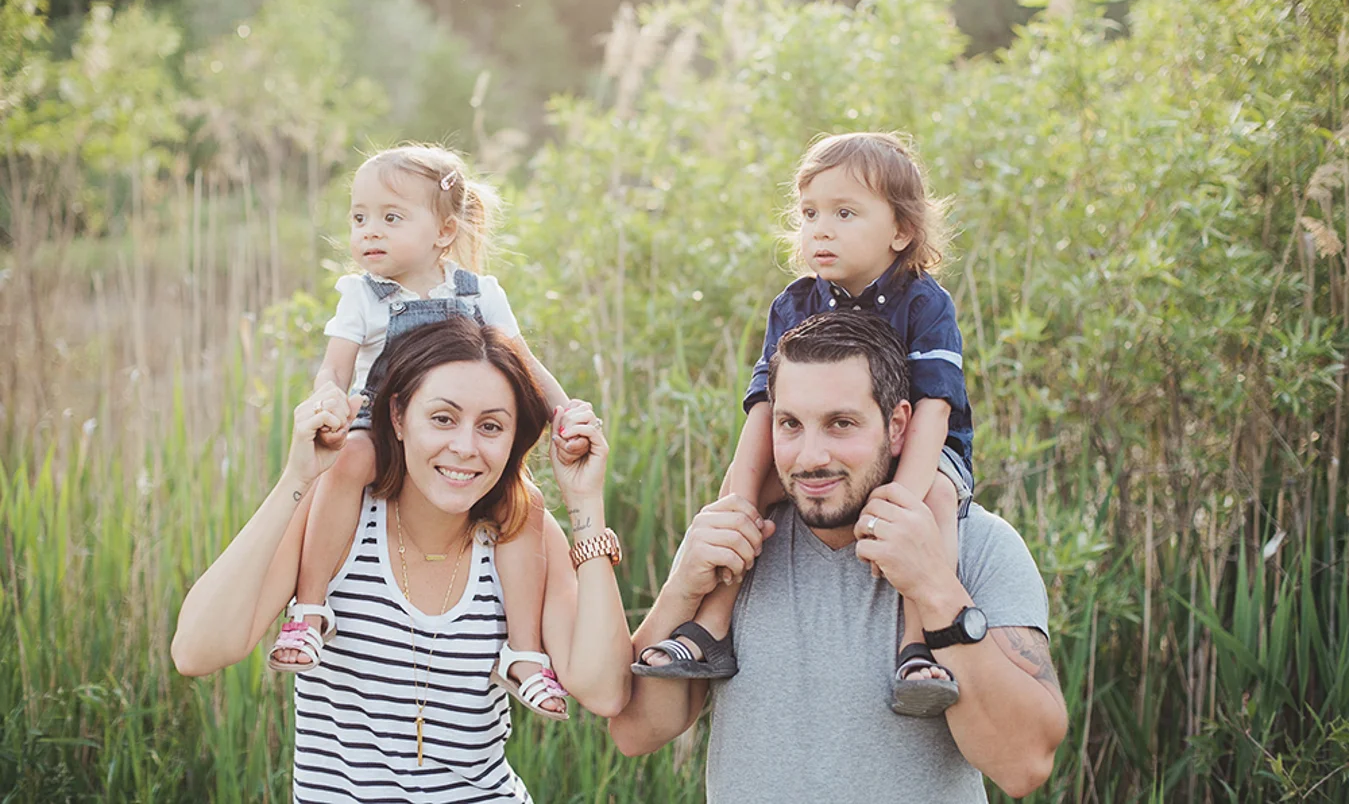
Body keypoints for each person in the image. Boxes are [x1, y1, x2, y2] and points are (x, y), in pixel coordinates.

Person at [610, 312, 1066, 802]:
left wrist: (934, 588)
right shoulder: (736, 540)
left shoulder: (979, 545)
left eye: (840, 424)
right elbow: (637, 733)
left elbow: (1024, 766)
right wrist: (683, 586)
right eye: (790, 424)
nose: (810, 457)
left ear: (896, 427)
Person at [173, 318, 631, 802]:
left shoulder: (520, 535)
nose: (465, 448)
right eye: (442, 418)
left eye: (491, 426)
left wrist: (585, 503)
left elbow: (605, 692)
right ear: (397, 416)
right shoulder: (338, 521)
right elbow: (196, 652)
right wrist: (297, 477)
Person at [634, 131, 976, 717]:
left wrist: (900, 498)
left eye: (845, 213)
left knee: (936, 505)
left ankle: (918, 647)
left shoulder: (924, 303)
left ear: (901, 231)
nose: (820, 228)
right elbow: (765, 408)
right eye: (810, 213)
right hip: (833, 452)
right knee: (738, 505)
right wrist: (739, 498)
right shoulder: (794, 304)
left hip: (925, 449)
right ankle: (712, 626)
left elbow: (934, 409)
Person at [269, 144, 581, 721]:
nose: (369, 232)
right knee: (349, 463)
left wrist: (565, 413)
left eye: (391, 217)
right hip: (375, 425)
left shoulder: (479, 293)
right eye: (359, 217)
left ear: (444, 231)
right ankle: (310, 610)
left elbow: (524, 364)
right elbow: (335, 366)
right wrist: (328, 398)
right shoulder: (361, 295)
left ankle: (523, 652)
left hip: (451, 435)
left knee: (525, 504)